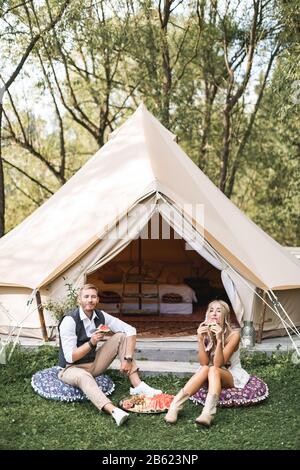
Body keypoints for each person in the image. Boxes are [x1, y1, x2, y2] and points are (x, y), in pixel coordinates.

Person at [58, 283, 162, 426]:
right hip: (70, 369)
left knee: (121, 336)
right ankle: (114, 411)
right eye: (86, 296)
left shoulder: (100, 316)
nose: (90, 300)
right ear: (79, 300)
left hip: (93, 364)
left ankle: (137, 385)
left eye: (93, 297)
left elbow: (130, 330)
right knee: (84, 376)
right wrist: (91, 342)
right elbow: (70, 357)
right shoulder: (69, 320)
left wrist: (128, 359)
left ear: (98, 299)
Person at [165, 299, 250, 426]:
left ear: (225, 316)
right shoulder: (207, 332)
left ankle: (208, 413)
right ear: (207, 315)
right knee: (206, 369)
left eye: (219, 310)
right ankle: (175, 406)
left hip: (230, 373)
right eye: (211, 310)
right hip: (210, 371)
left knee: (213, 369)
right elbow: (204, 363)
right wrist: (200, 339)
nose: (214, 313)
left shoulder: (234, 335)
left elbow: (219, 364)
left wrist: (220, 340)